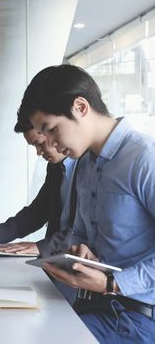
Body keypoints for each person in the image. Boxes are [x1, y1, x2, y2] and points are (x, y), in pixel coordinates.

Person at [21, 64, 155, 343]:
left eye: (51, 129)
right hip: (94, 306)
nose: (51, 144)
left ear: (80, 107)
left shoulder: (144, 158)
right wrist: (79, 251)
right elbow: (81, 233)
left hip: (136, 317)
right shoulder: (83, 165)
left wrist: (113, 283)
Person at [0, 119, 76, 257]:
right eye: (34, 146)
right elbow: (37, 212)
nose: (38, 152)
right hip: (55, 262)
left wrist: (41, 247)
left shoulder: (89, 167)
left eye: (40, 144)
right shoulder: (55, 167)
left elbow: (83, 231)